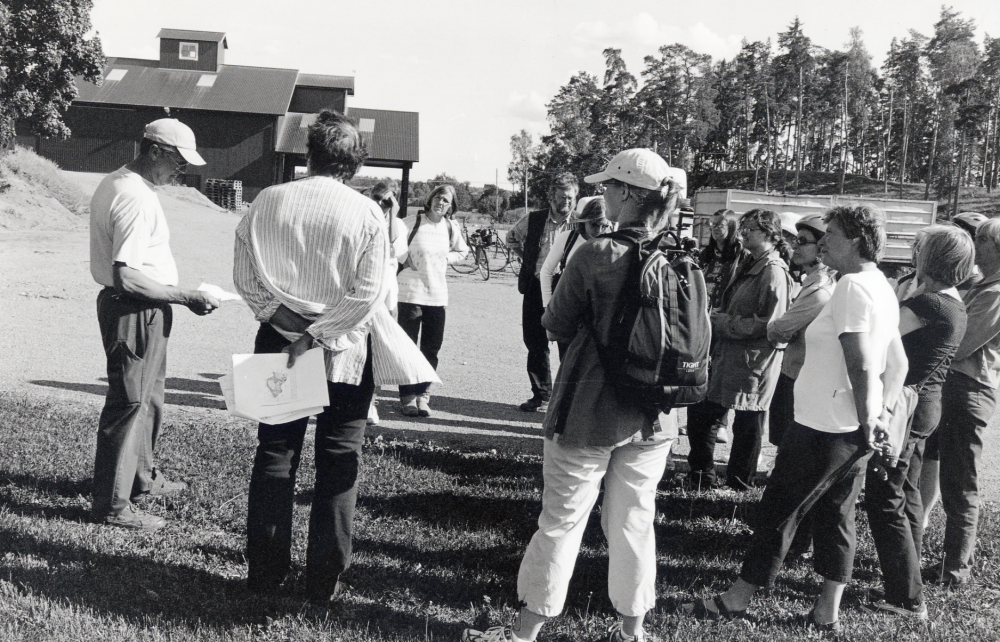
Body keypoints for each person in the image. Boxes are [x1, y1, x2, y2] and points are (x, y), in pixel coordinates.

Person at [461, 149, 682, 642]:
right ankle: (633, 632)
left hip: (589, 408)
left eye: (608, 186)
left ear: (627, 193)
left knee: (561, 521)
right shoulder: (678, 256)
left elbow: (554, 322)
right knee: (634, 522)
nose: (600, 194)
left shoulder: (596, 252)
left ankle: (525, 633)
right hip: (653, 415)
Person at [681, 204, 907, 631]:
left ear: (856, 240)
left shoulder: (852, 287)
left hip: (825, 425)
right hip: (849, 427)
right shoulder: (881, 285)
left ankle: (736, 598)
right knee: (836, 518)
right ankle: (826, 613)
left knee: (779, 512)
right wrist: (878, 414)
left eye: (832, 235)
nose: (822, 242)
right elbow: (896, 363)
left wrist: (868, 415)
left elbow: (861, 363)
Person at [232, 109, 388, 605]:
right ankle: (323, 579)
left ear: (309, 154)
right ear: (356, 162)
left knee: (276, 453)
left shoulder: (268, 201)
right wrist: (319, 334)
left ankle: (265, 570)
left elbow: (246, 278)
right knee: (339, 459)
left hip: (280, 341)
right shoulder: (367, 213)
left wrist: (295, 331)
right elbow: (366, 295)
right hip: (344, 350)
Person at [89, 118, 219, 531]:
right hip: (135, 308)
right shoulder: (135, 197)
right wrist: (186, 296)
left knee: (149, 398)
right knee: (129, 404)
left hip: (141, 308)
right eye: (178, 160)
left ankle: (140, 478)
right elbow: (126, 275)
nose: (181, 169)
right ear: (155, 151)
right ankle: (113, 506)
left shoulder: (122, 183)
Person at [864, 225, 971, 618]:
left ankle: (907, 598)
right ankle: (908, 582)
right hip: (926, 406)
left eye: (919, 247)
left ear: (931, 257)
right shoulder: (953, 302)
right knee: (907, 494)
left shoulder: (928, 304)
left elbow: (878, 338)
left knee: (885, 496)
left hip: (906, 407)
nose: (912, 251)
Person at [685, 209, 791, 490]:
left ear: (769, 234)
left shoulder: (772, 271)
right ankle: (702, 477)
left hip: (753, 362)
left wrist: (723, 322)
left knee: (747, 424)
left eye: (750, 229)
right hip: (733, 357)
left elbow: (771, 324)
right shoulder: (752, 264)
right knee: (703, 415)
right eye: (742, 227)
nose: (742, 232)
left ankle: (739, 485)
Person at [932, 217, 1000, 587]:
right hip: (960, 387)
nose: (976, 247)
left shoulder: (995, 293)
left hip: (969, 390)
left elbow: (959, 345)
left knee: (960, 482)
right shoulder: (983, 286)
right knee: (953, 478)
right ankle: (954, 561)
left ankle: (956, 567)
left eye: (982, 242)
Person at [507, 173, 578, 412]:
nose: (565, 203)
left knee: (568, 345)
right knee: (535, 342)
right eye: (561, 198)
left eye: (570, 198)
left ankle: (566, 399)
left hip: (567, 291)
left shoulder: (580, 222)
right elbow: (512, 238)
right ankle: (541, 395)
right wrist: (528, 262)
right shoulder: (535, 220)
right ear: (550, 197)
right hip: (536, 288)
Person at [395, 184, 469, 417]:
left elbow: (463, 251)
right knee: (408, 349)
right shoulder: (411, 222)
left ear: (451, 206)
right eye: (438, 197)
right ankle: (407, 397)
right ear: (430, 198)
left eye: (446, 200)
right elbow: (392, 243)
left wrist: (448, 258)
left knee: (431, 349)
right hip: (409, 295)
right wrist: (404, 259)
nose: (441, 203)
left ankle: (423, 395)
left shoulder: (450, 226)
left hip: (437, 297)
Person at [767, 214, 836, 449]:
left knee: (789, 447)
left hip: (800, 377)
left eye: (803, 241)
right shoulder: (809, 282)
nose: (795, 246)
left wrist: (777, 326)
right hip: (794, 372)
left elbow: (777, 331)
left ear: (822, 248)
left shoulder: (819, 291)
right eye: (796, 240)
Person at [365, 182, 409, 426]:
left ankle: (371, 401)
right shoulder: (362, 217)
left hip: (386, 295)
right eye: (378, 198)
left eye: (387, 200)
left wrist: (393, 213)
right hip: (362, 292)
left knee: (379, 351)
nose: (381, 204)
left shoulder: (399, 225)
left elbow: (393, 247)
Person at [539, 196, 612, 308]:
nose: (599, 230)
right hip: (568, 303)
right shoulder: (567, 238)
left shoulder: (612, 242)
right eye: (594, 225)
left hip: (597, 308)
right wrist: (547, 305)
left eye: (604, 226)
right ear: (584, 220)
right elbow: (546, 271)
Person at [699, 208, 747, 311]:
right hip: (704, 310)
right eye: (713, 224)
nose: (715, 228)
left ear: (731, 227)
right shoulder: (706, 253)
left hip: (726, 313)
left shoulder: (741, 254)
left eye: (720, 225)